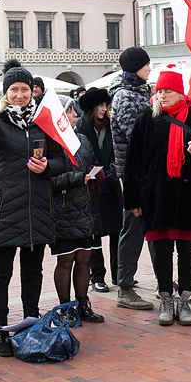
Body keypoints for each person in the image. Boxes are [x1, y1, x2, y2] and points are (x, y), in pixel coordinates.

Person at [0, 61, 66, 356]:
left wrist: (47, 167)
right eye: (14, 89)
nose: (19, 94)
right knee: (0, 272)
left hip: (37, 207)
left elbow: (61, 159)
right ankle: (1, 329)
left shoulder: (43, 121)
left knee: (32, 271)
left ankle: (30, 321)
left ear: (32, 91)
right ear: (6, 92)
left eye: (24, 89)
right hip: (4, 207)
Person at [123, 69, 191, 326]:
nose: (162, 95)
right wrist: (133, 200)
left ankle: (185, 298)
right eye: (159, 91)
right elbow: (133, 162)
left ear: (180, 92)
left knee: (187, 250)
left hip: (189, 195)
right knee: (161, 250)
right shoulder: (147, 118)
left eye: (168, 91)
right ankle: (166, 298)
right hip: (156, 196)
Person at [50, 96, 105, 323]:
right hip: (63, 210)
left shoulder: (82, 138)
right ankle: (65, 307)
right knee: (66, 261)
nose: (76, 116)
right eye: (72, 112)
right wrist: (76, 178)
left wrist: (96, 171)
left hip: (87, 208)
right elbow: (49, 178)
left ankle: (83, 304)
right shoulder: (50, 141)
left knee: (85, 258)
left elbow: (90, 161)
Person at [109, 47, 155, 310]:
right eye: (147, 64)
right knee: (134, 229)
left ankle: (161, 279)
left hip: (147, 170)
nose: (150, 69)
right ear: (136, 67)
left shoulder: (140, 92)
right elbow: (135, 137)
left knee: (150, 226)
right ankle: (125, 287)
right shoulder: (126, 97)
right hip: (134, 173)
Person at [75, 87, 122, 292]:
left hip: (111, 184)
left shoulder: (110, 125)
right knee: (95, 232)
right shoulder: (81, 126)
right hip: (93, 185)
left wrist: (113, 169)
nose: (105, 109)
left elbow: (117, 150)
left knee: (117, 230)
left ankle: (119, 274)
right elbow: (82, 155)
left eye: (106, 105)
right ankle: (97, 276)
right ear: (92, 107)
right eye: (101, 106)